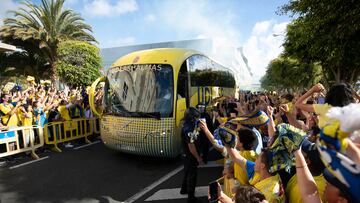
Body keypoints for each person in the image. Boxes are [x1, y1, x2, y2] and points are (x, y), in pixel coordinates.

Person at [180, 107, 203, 203]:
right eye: (196, 117)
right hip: (190, 155)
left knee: (187, 172)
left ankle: (183, 189)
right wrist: (198, 157)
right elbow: (191, 145)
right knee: (192, 176)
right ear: (192, 117)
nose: (198, 119)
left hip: (186, 154)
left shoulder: (187, 125)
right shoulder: (189, 128)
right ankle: (191, 197)